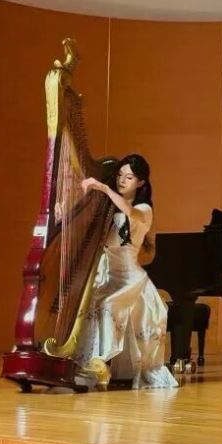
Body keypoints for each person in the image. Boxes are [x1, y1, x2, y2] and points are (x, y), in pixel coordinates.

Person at [72, 154, 178, 390]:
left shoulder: (144, 210)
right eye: (119, 175)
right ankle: (90, 364)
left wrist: (103, 188)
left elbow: (129, 212)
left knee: (108, 305)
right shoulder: (107, 207)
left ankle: (100, 362)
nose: (122, 180)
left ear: (140, 183)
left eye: (129, 177)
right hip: (109, 275)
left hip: (130, 279)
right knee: (91, 304)